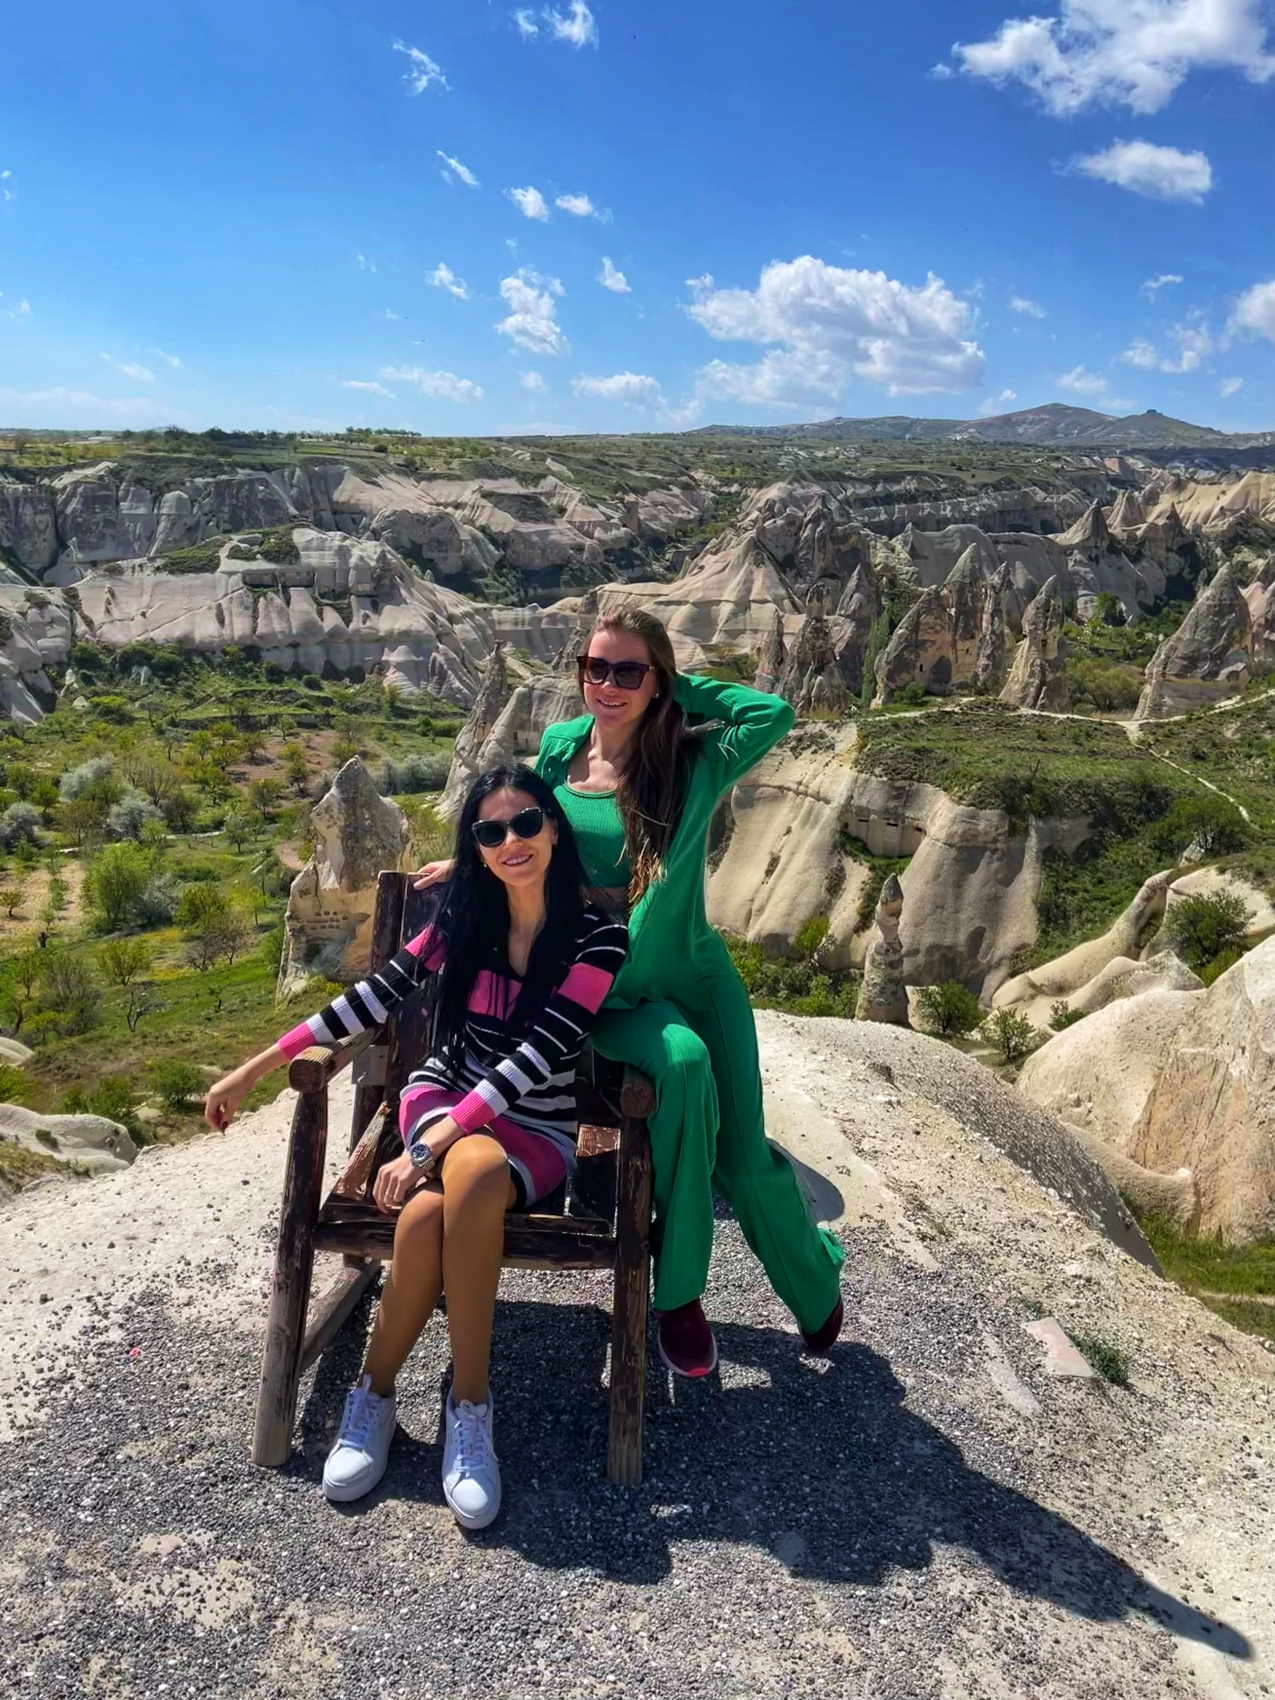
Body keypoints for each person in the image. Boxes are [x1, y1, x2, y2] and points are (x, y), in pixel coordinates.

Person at [417, 607, 844, 1379]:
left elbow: (771, 714)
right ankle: (678, 1295)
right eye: (595, 668)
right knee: (680, 1065)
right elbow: (523, 826)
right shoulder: (558, 748)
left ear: (657, 681)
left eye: (627, 671)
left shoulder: (690, 759)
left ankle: (813, 1285)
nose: (606, 685)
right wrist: (473, 862)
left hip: (687, 972)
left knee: (744, 1157)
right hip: (595, 986)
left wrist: (678, 689)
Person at [205, 766, 627, 1528]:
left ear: (553, 827)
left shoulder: (598, 938)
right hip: (442, 1101)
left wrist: (425, 1153)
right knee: (471, 1173)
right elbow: (373, 997)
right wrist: (254, 1068)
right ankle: (462, 1406)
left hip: (531, 1126)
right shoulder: (463, 919)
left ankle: (389, 1394)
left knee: (432, 1208)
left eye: (525, 823)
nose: (510, 841)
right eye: (490, 831)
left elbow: (535, 1057)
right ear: (477, 847)